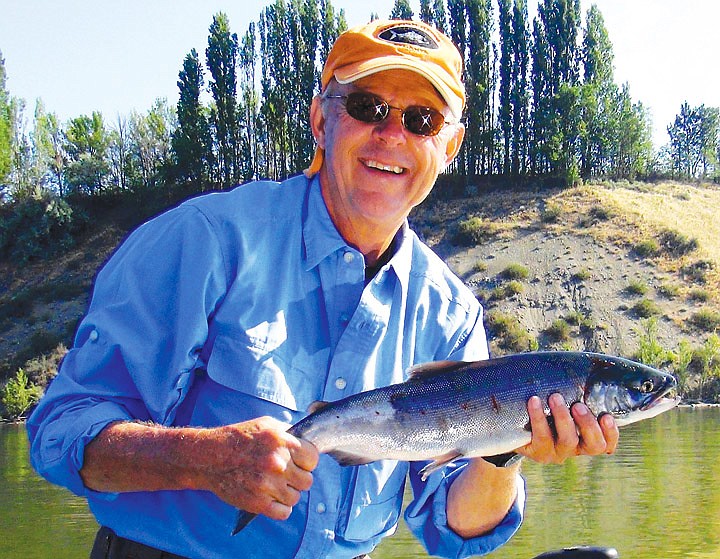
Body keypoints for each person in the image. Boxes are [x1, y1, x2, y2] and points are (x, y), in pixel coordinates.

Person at [27, 19, 618, 559]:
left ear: (449, 147)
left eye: (422, 120)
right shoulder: (203, 240)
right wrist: (202, 459)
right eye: (367, 106)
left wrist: (502, 452)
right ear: (320, 119)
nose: (393, 135)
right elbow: (61, 431)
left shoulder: (451, 313)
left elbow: (452, 528)